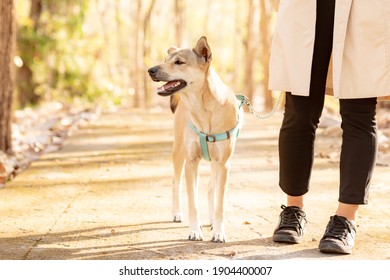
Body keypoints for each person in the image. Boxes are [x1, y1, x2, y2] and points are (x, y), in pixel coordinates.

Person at [268, 0, 390, 254]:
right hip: (305, 8)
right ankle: (293, 209)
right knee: (299, 114)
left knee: (359, 114)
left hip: (365, 11)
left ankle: (345, 218)